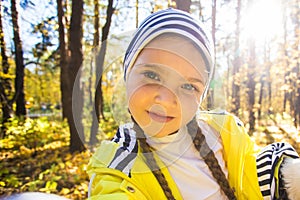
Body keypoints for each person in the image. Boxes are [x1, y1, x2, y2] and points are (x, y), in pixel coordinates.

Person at [87, 8, 300, 200]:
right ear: (127, 74)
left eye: (188, 86)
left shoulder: (221, 133)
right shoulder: (118, 167)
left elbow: (252, 172)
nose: (167, 100)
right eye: (152, 75)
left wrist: (291, 177)